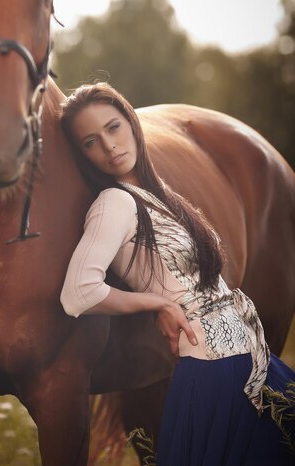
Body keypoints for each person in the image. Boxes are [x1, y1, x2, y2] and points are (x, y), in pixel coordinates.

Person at [59, 82, 295, 466]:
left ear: (132, 123)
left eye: (113, 127)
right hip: (210, 366)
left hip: (247, 355)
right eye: (90, 141)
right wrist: (155, 304)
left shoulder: (158, 193)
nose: (109, 146)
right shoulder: (113, 203)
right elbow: (77, 293)